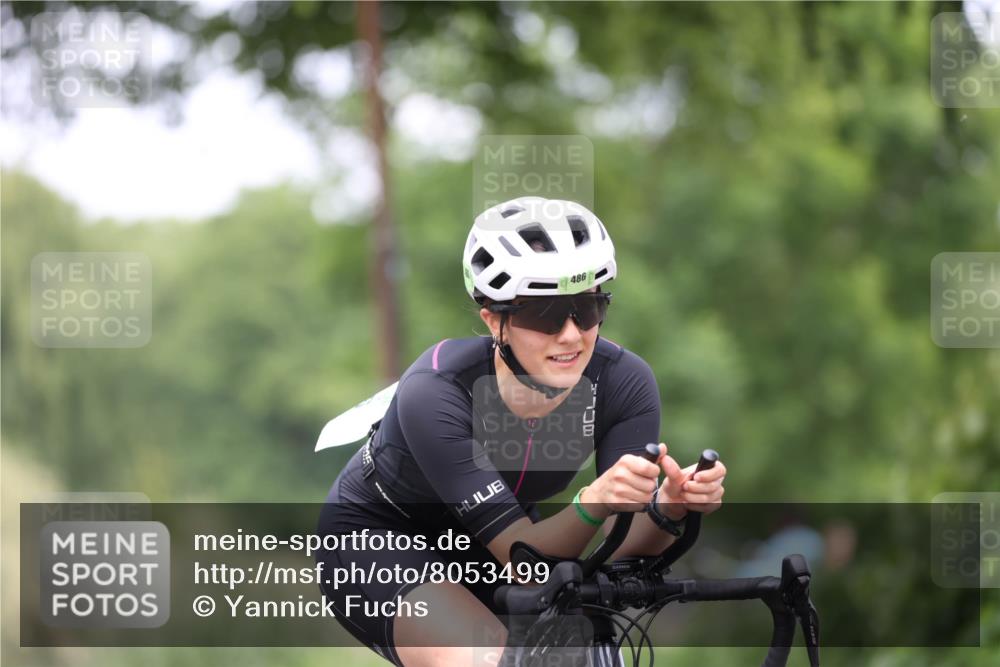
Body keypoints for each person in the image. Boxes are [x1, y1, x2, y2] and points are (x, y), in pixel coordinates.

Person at [316, 196, 727, 666]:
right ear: (495, 320)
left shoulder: (623, 382)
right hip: (380, 538)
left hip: (503, 545)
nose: (572, 334)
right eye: (545, 315)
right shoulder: (436, 392)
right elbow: (529, 564)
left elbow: (614, 558)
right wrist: (593, 500)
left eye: (588, 307)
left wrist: (668, 511)